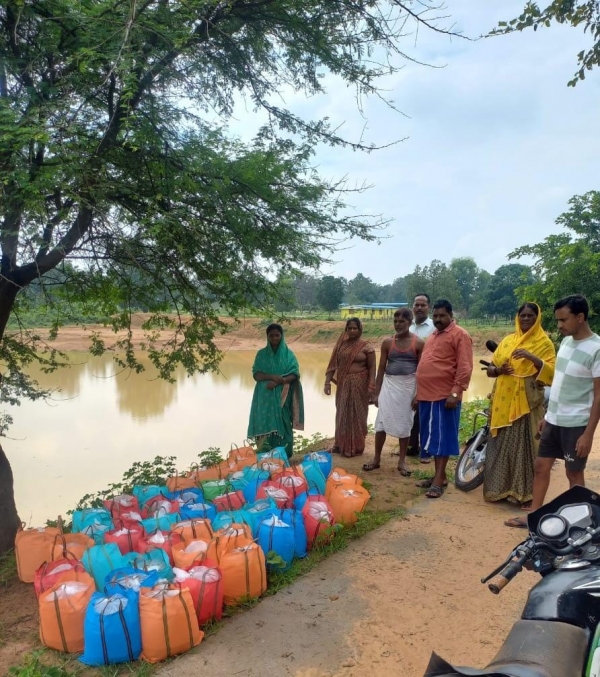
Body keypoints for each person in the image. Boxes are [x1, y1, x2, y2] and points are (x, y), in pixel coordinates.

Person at [505, 294, 600, 528]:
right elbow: (559, 383)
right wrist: (548, 416)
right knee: (541, 467)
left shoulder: (596, 349)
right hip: (554, 420)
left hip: (576, 424)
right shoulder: (566, 343)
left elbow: (599, 396)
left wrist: (588, 434)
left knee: (573, 473)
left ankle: (581, 523)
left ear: (580, 317)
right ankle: (534, 515)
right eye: (557, 320)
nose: (559, 326)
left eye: (563, 320)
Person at [483, 303, 556, 507]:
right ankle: (500, 490)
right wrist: (500, 370)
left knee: (528, 449)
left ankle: (526, 495)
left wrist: (532, 357)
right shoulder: (508, 341)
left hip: (528, 402)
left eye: (530, 316)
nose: (525, 319)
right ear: (517, 317)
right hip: (504, 403)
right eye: (522, 315)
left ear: (537, 318)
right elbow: (490, 369)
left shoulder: (544, 343)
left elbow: (551, 373)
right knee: (502, 447)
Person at [415, 299, 473, 498]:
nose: (438, 319)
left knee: (442, 439)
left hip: (444, 396)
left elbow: (465, 367)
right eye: (436, 316)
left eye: (442, 316)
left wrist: (455, 393)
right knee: (431, 438)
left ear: (450, 315)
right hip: (426, 396)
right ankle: (438, 476)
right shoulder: (433, 335)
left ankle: (439, 481)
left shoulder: (460, 335)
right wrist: (418, 394)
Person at [363, 308, 424, 474]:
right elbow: (381, 368)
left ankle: (402, 461)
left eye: (402, 321)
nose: (398, 324)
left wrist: (419, 394)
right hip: (389, 386)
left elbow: (422, 371)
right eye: (395, 321)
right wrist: (376, 393)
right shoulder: (387, 343)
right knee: (381, 423)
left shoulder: (419, 343)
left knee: (405, 424)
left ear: (410, 322)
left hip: (408, 387)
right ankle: (376, 458)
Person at [247, 323, 304, 459]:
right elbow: (256, 374)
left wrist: (279, 381)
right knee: (263, 421)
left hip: (282, 395)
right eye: (271, 335)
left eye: (277, 335)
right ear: (267, 337)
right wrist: (270, 377)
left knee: (283, 421)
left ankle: (283, 454)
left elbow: (295, 374)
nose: (274, 338)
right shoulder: (261, 354)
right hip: (264, 396)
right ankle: (264, 454)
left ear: (282, 336)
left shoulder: (289, 355)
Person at [324, 317, 376, 458]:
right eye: (349, 328)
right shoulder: (341, 345)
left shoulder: (367, 347)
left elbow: (372, 369)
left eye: (355, 328)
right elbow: (332, 365)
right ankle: (340, 444)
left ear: (360, 330)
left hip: (360, 386)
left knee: (358, 415)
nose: (352, 331)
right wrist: (327, 382)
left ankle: (357, 446)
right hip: (343, 385)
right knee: (342, 414)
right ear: (346, 330)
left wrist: (372, 387)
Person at [408, 293, 435, 461]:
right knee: (410, 411)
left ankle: (427, 450)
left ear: (428, 307)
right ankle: (412, 446)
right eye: (416, 304)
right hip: (408, 375)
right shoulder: (408, 327)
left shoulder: (434, 327)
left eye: (422, 305)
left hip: (428, 376)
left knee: (425, 413)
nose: (419, 308)